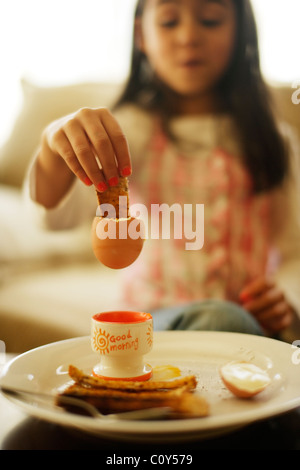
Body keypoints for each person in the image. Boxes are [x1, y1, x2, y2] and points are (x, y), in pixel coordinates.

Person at [25, 0, 300, 341]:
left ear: (240, 30)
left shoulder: (272, 140)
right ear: (142, 34)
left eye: (210, 20)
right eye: (169, 21)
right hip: (150, 325)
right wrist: (53, 146)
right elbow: (54, 218)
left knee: (229, 321)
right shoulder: (129, 131)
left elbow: (294, 249)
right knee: (222, 319)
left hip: (248, 330)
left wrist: (285, 300)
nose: (188, 36)